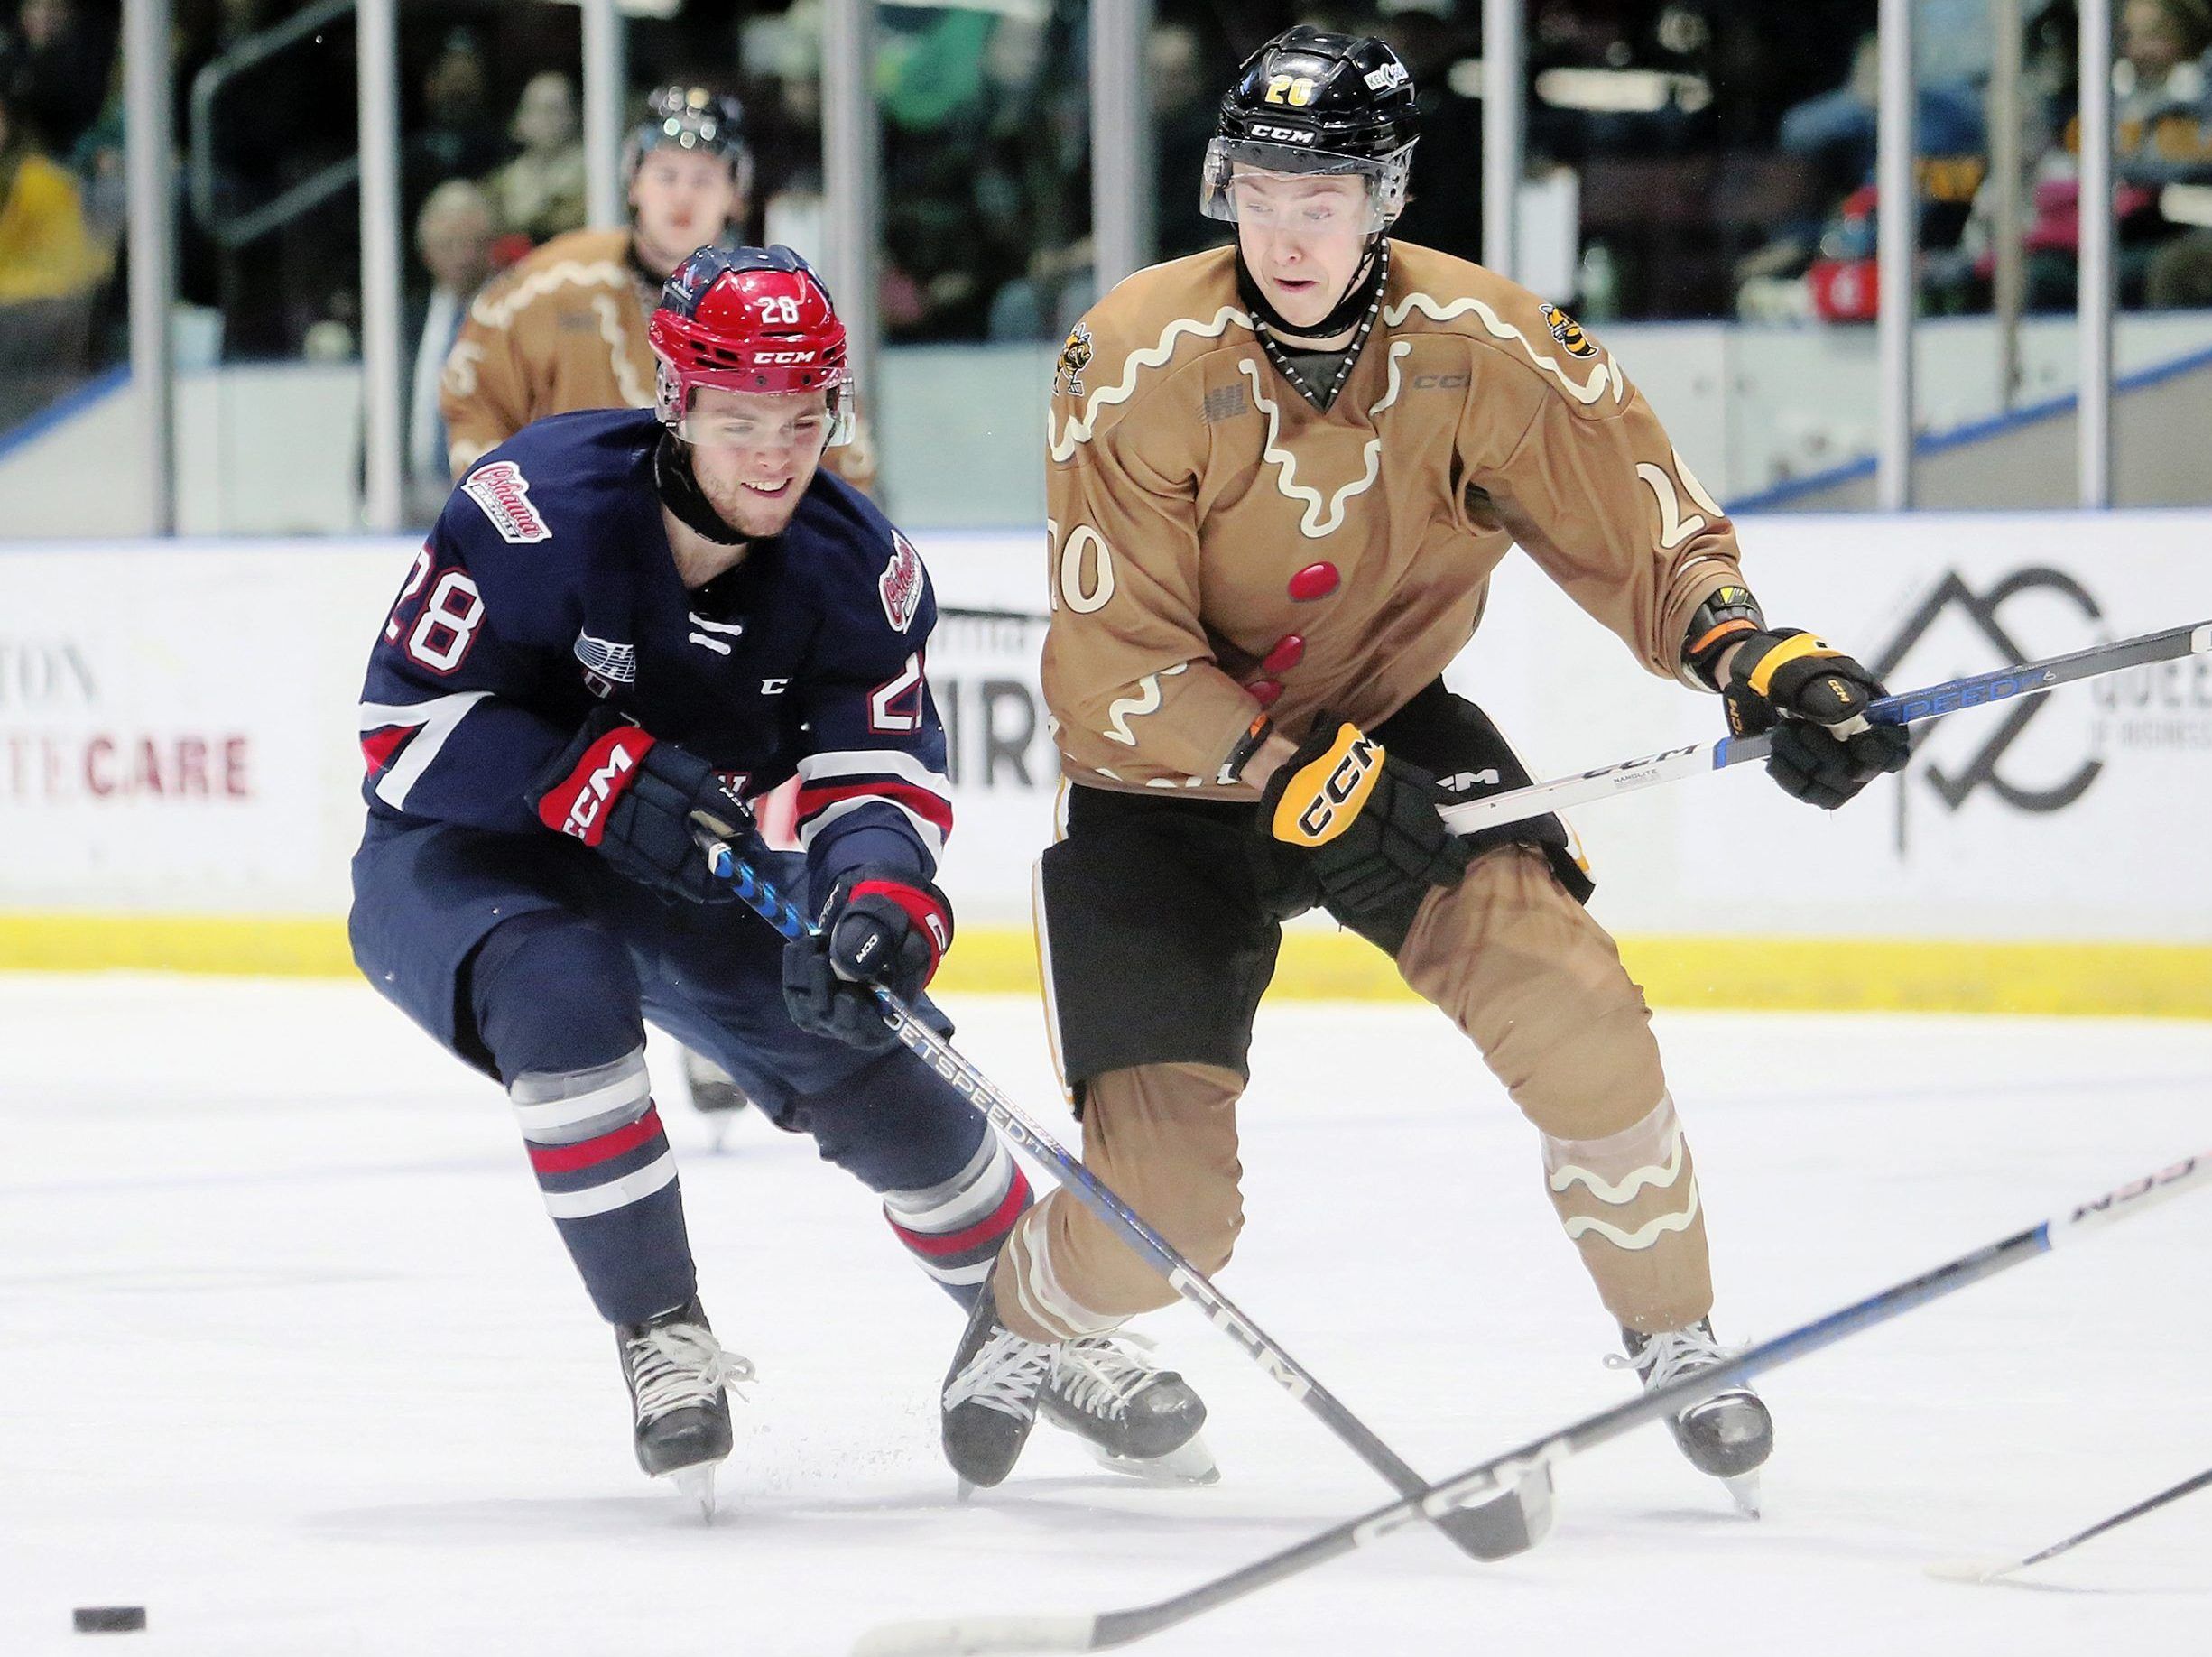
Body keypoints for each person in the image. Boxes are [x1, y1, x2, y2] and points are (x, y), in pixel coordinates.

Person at [936, 26, 1910, 1516]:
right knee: (1162, 1222)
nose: (1287, 229)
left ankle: (1675, 1335)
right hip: (1165, 791)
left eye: (1322, 197)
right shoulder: (1131, 355)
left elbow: (1643, 531)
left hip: (1385, 725)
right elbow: (1111, 666)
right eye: (1261, 191)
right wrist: (1274, 763)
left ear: (1386, 192)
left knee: (1579, 1014)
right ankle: (1025, 1313)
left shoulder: (1490, 346)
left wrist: (1749, 659)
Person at [350, 245, 1209, 1510]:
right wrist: (580, 778)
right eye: (739, 419)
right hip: (460, 857)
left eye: (801, 421)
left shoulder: (853, 570)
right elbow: (400, 737)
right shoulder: (530, 507)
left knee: (871, 1048)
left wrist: (876, 897)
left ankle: (1047, 1325)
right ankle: (660, 1330)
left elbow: (879, 777)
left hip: (677, 860)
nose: (772, 455)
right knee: (560, 986)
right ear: (676, 403)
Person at [442, 84, 875, 1127]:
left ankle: (717, 1013)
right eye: (666, 175)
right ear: (633, 178)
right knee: (571, 791)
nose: (683, 197)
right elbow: (473, 411)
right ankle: (560, 1005)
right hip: (577, 604)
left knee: (722, 795)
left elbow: (831, 464)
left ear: (736, 192)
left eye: (706, 178)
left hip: (721, 597)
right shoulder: (544, 288)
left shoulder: (781, 304)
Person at [405, 180, 495, 521]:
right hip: (410, 504)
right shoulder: (404, 323)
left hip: (486, 509)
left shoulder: (511, 318)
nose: (461, 255)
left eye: (471, 242)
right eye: (448, 243)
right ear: (426, 251)